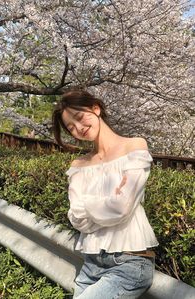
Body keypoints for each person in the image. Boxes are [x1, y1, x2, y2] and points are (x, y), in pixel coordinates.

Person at [52, 90, 159, 299]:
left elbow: (121, 208)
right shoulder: (79, 164)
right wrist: (108, 201)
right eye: (71, 127)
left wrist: (90, 204)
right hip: (91, 263)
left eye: (80, 117)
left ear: (95, 108)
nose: (79, 128)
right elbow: (77, 219)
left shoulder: (134, 146)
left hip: (129, 263)